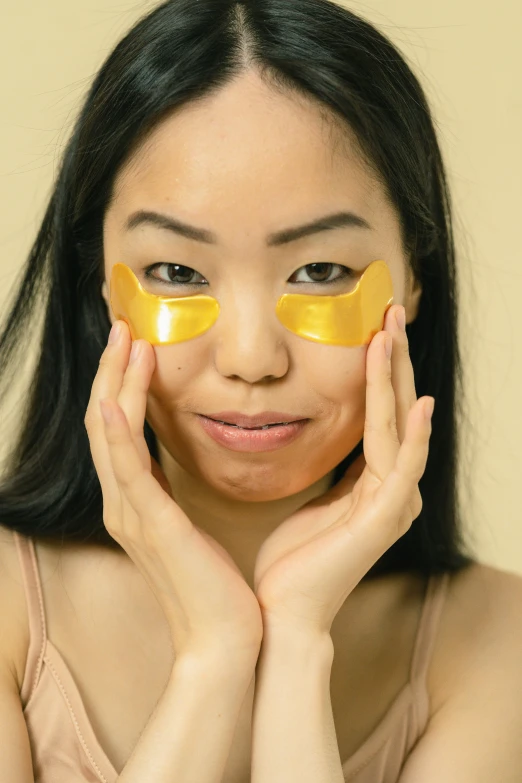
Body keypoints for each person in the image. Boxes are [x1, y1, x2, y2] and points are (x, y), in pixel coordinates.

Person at [0, 1, 521, 781]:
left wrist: (299, 641)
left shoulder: (499, 642)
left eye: (320, 272)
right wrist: (214, 656)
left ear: (413, 277)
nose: (251, 358)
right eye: (176, 272)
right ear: (98, 283)